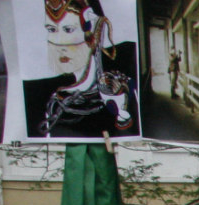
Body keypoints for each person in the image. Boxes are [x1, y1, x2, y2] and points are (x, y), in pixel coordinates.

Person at [37, 0, 134, 136]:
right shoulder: (52, 98)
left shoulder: (121, 84)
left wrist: (122, 112)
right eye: (51, 29)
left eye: (68, 29)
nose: (59, 43)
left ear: (93, 30)